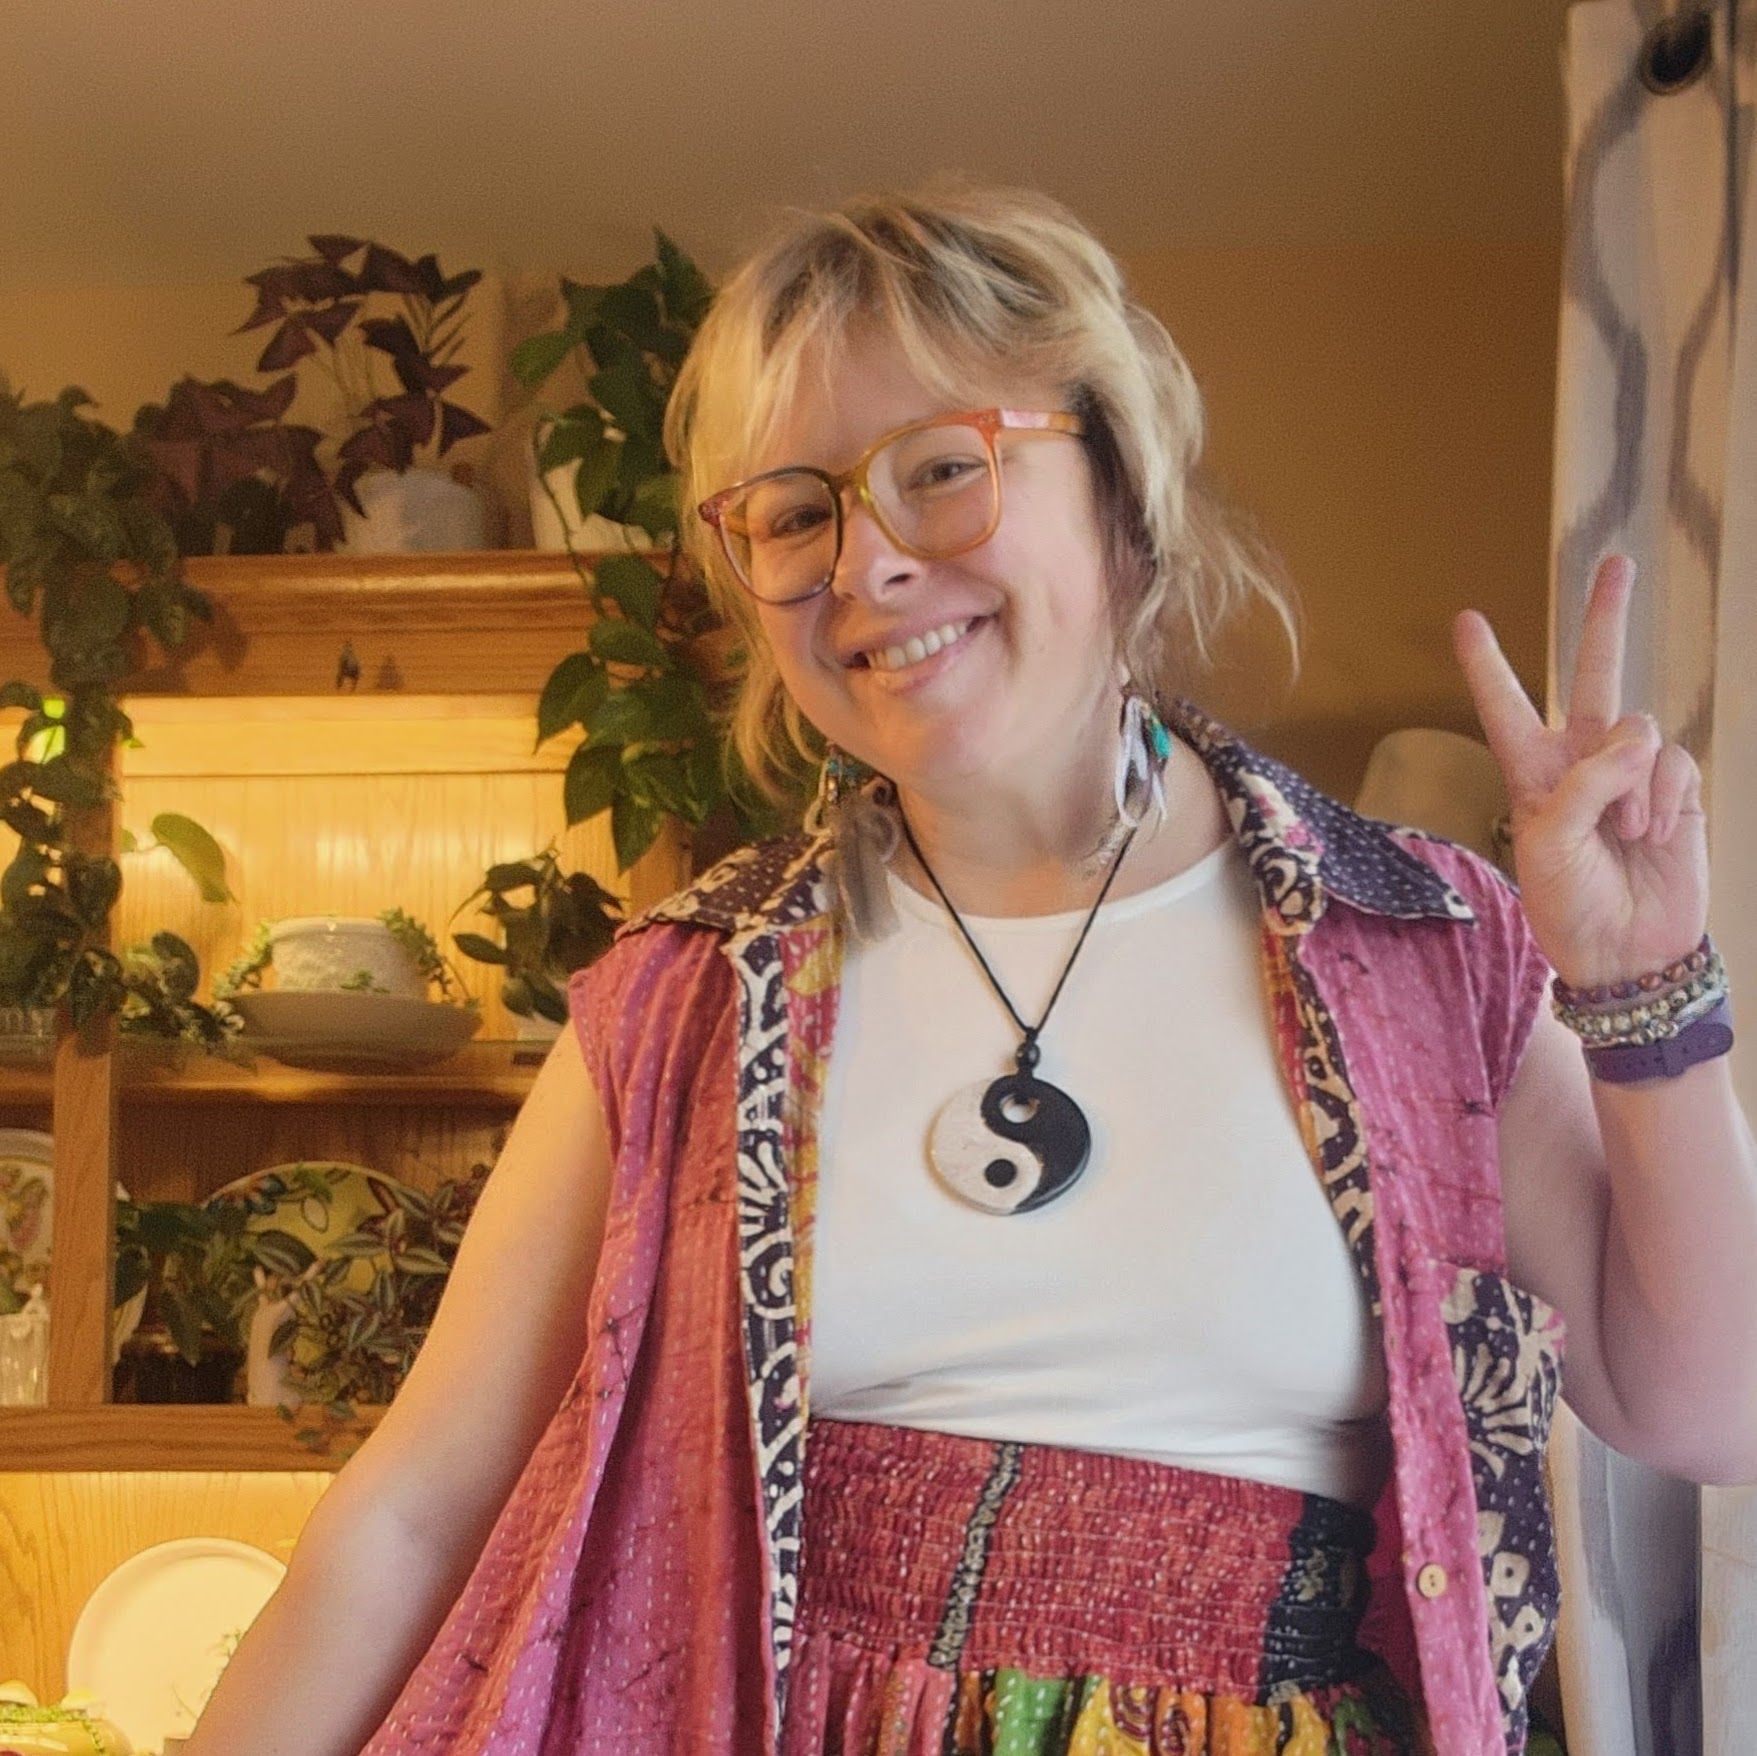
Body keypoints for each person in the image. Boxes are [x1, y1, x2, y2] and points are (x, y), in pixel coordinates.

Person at [185, 185, 1757, 1756]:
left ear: (1122, 490)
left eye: (942, 470)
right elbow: (408, 1514)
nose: (863, 564)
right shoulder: (681, 1002)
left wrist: (1641, 987)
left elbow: (1705, 1408)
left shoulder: (1418, 945)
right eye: (793, 513)